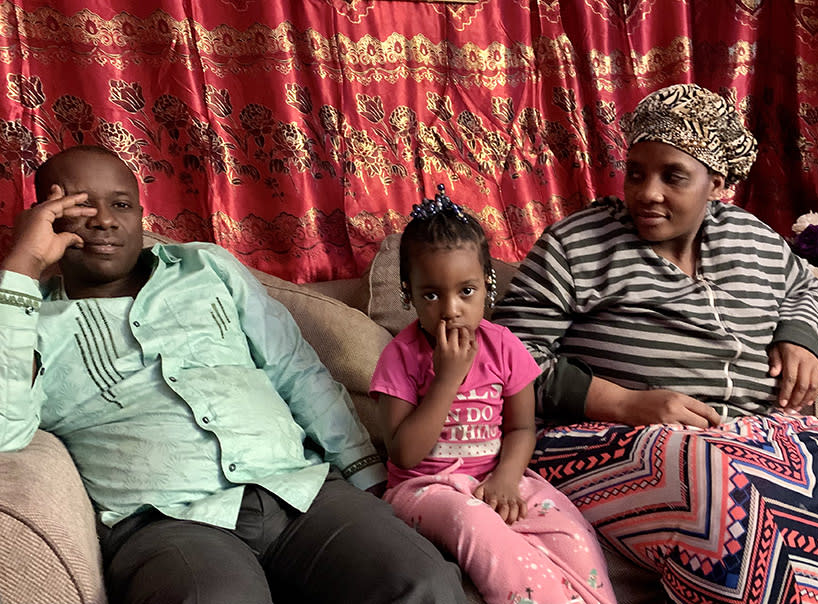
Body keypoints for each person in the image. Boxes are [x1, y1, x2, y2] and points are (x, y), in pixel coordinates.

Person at [0, 145, 467, 604]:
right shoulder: (25, 317)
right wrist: (22, 265)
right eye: (80, 206)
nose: (105, 219)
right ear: (45, 216)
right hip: (168, 522)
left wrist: (368, 479)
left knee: (421, 580)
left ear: (141, 214)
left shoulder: (205, 268)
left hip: (300, 490)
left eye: (121, 204)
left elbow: (295, 370)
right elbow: (6, 430)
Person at [492, 84, 818, 603]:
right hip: (609, 442)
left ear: (719, 182)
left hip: (758, 433)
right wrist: (624, 402)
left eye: (673, 176)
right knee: (737, 502)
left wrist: (800, 338)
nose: (647, 193)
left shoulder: (752, 239)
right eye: (635, 172)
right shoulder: (577, 244)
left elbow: (805, 288)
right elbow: (507, 358)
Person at [369, 186, 617, 604]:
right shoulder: (400, 357)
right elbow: (403, 455)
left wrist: (505, 478)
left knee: (572, 532)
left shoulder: (503, 345)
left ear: (488, 287)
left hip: (497, 476)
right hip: (426, 488)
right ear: (408, 295)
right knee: (476, 526)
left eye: (466, 291)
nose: (451, 309)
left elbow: (522, 428)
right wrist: (447, 379)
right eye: (431, 294)